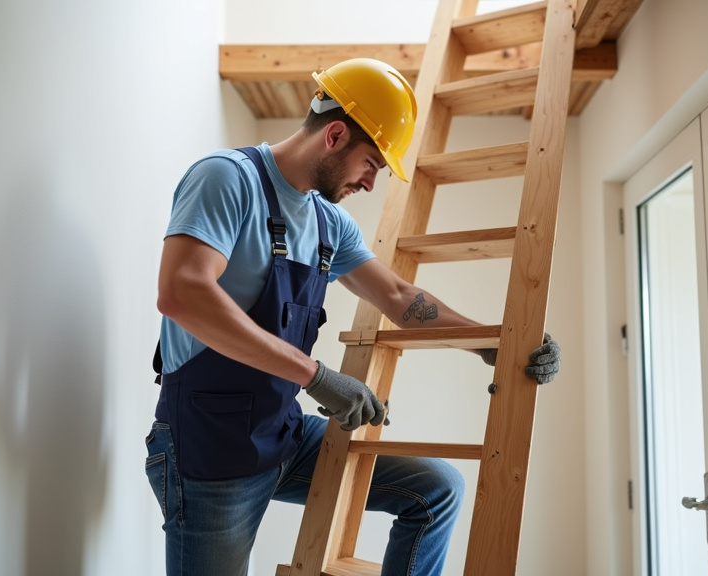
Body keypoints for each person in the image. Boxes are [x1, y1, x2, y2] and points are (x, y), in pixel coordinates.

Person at [144, 57, 561, 576]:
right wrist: (317, 377)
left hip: (281, 433)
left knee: (436, 489)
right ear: (335, 135)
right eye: (372, 164)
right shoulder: (227, 180)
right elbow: (182, 293)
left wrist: (495, 343)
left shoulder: (329, 224)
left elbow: (401, 297)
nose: (370, 183)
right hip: (208, 450)